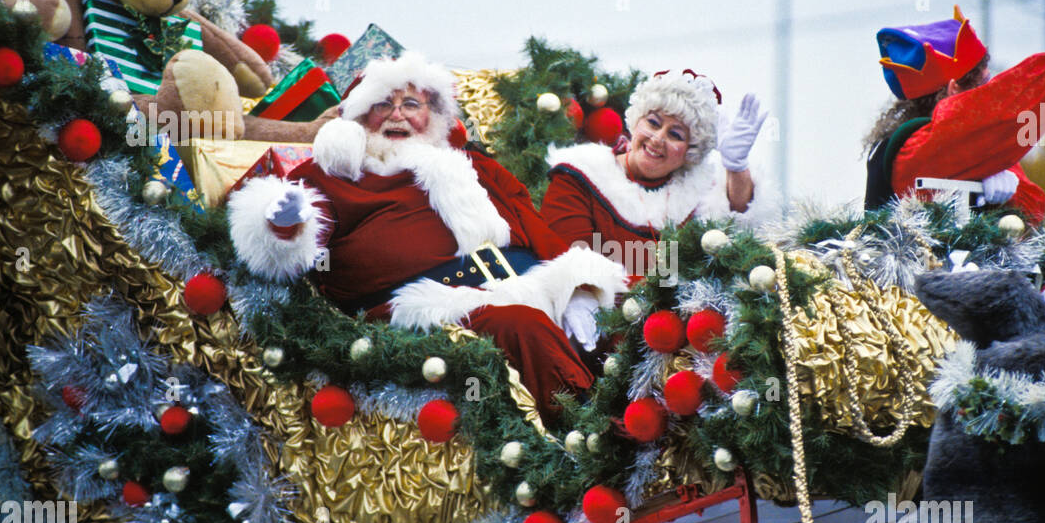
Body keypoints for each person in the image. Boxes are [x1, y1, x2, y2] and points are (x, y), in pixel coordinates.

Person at [229, 53, 629, 418]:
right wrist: (281, 223)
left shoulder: (472, 166)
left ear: (433, 116)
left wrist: (577, 287)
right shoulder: (330, 176)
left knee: (619, 316)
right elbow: (289, 245)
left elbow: (536, 230)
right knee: (522, 328)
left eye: (411, 105)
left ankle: (661, 439)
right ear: (359, 117)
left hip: (528, 283)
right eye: (383, 104)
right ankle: (590, 440)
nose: (397, 116)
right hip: (430, 308)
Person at [863, 0, 1045, 224]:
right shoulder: (918, 147)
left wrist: (1002, 193)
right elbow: (1007, 107)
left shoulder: (965, 151)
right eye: (985, 84)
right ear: (954, 90)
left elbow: (1033, 208)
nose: (990, 92)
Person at [540, 70, 773, 329]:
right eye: (653, 122)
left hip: (670, 335)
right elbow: (569, 261)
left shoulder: (696, 196)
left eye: (676, 135)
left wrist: (736, 166)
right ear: (636, 122)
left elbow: (735, 225)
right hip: (590, 324)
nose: (658, 138)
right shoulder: (580, 174)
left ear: (690, 151)